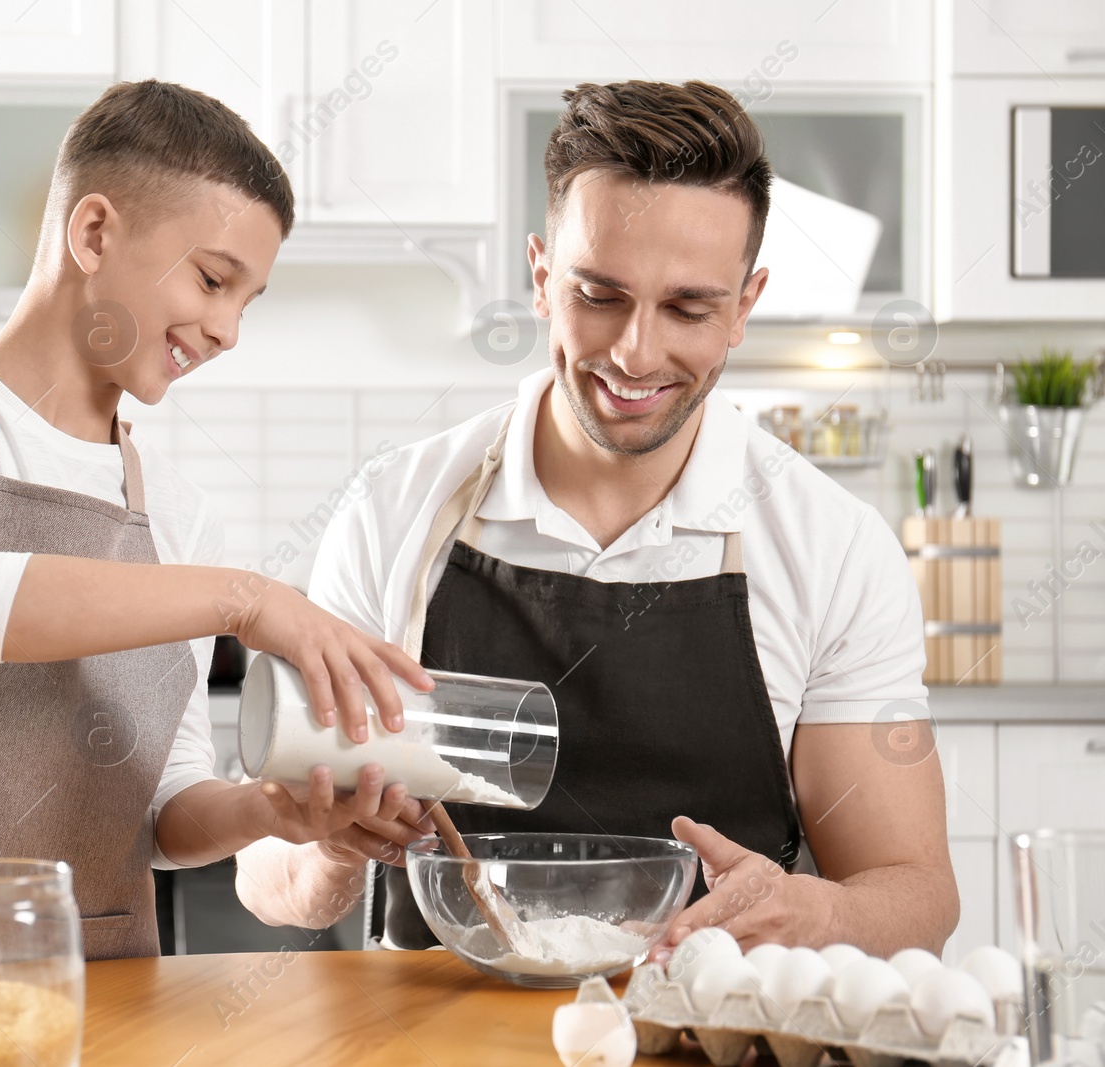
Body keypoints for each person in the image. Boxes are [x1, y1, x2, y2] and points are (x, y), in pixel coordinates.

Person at [236, 80, 958, 957]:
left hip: (708, 1037)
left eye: (688, 307)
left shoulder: (833, 547)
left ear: (744, 306)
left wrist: (818, 912)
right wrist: (329, 859)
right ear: (542, 278)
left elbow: (916, 891)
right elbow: (266, 874)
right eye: (600, 295)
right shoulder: (395, 509)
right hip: (435, 1041)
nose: (635, 353)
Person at [0, 79, 433, 1006]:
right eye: (213, 279)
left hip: (98, 989)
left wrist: (269, 811)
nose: (228, 330)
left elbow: (163, 808)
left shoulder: (175, 510)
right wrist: (247, 599)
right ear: (93, 234)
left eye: (249, 299)